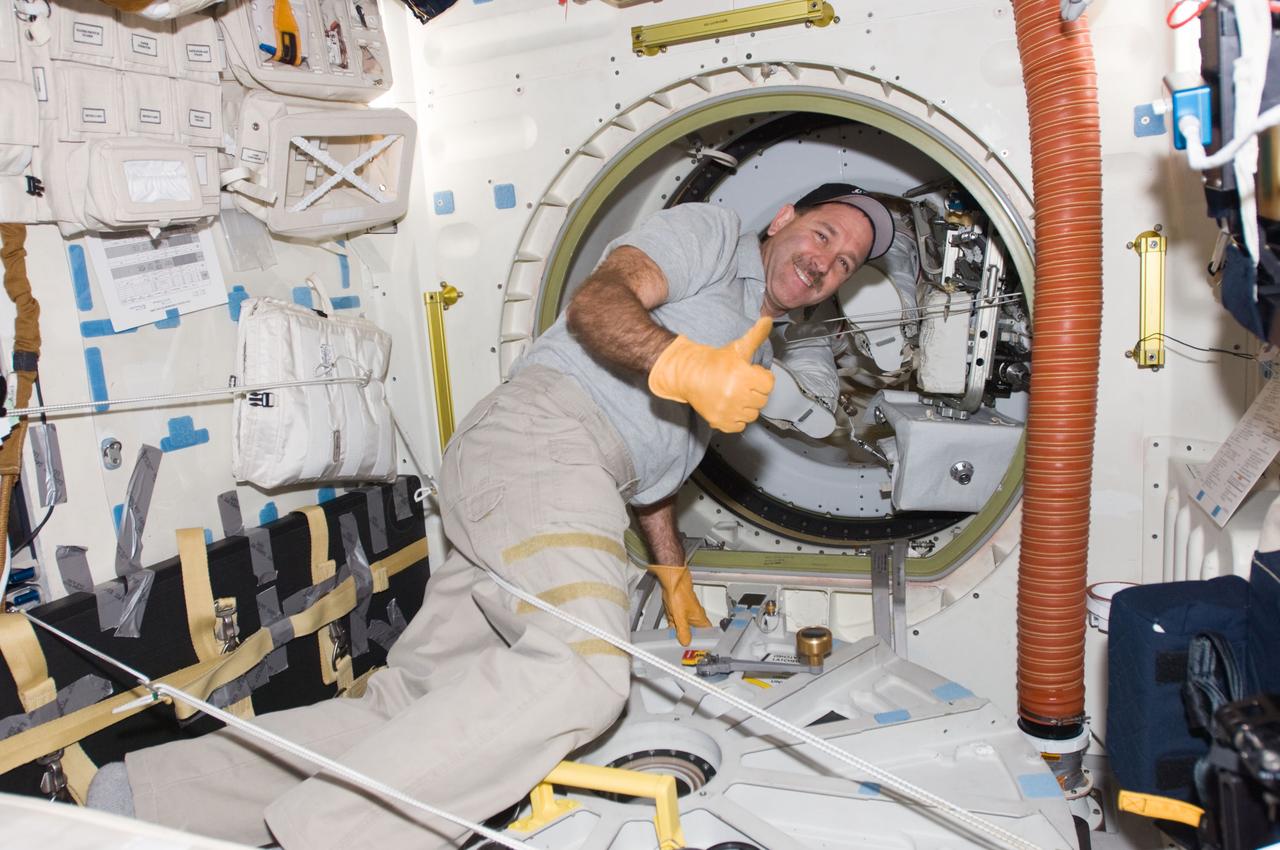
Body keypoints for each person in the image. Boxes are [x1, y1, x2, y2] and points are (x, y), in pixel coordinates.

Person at [93, 183, 894, 850]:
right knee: (583, 672)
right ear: (785, 218)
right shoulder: (715, 236)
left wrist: (670, 566)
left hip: (556, 473)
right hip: (548, 437)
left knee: (417, 702)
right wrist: (681, 364)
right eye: (822, 234)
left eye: (845, 262)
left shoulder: (759, 343)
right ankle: (327, 838)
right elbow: (598, 300)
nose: (824, 261)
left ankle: (155, 799)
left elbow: (654, 461)